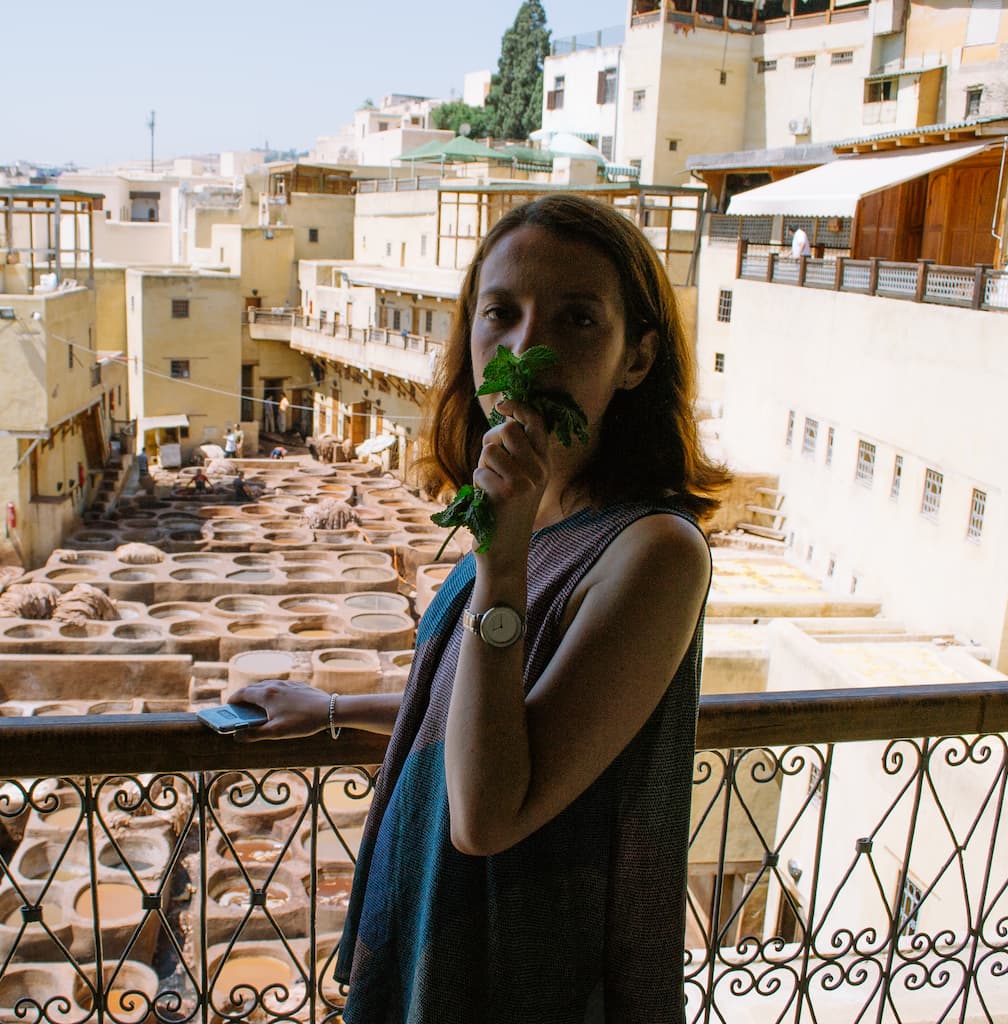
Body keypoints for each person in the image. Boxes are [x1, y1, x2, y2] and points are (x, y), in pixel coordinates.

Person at [230, 193, 728, 1023]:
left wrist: (499, 564)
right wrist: (332, 711)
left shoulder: (654, 553)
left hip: (524, 964)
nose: (528, 348)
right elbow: (492, 710)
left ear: (636, 358)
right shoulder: (549, 514)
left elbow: (489, 814)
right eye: (501, 312)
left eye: (576, 319)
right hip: (438, 918)